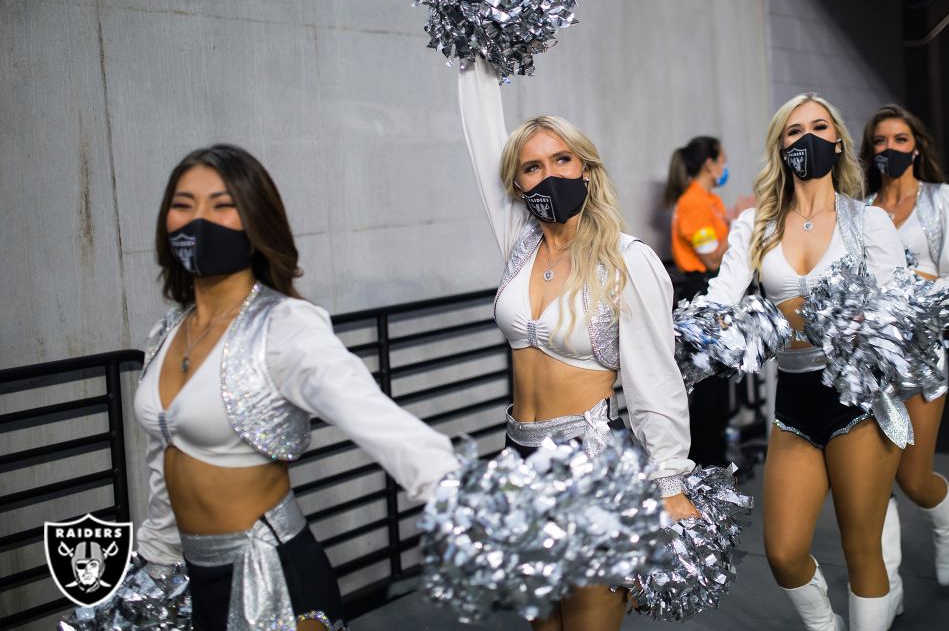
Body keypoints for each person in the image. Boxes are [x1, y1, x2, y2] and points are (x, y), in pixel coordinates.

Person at [133, 145, 460, 630]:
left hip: (272, 577)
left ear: (256, 221)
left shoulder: (285, 327)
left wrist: (457, 493)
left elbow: (373, 416)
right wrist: (156, 557)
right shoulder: (166, 333)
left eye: (222, 205)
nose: (198, 220)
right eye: (183, 204)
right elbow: (163, 455)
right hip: (194, 576)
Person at [457, 59, 698, 631]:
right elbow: (481, 135)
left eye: (562, 159)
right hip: (518, 457)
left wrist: (668, 481)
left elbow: (654, 379)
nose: (548, 175)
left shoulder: (627, 260)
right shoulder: (519, 244)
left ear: (587, 170)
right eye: (532, 167)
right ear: (518, 185)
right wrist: (474, 58)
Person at [701, 92, 907, 630]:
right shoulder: (756, 225)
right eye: (795, 132)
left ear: (838, 141)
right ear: (780, 146)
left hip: (858, 397)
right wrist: (701, 333)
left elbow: (895, 313)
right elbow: (720, 301)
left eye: (819, 128)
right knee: (784, 552)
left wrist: (859, 327)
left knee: (863, 551)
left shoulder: (869, 222)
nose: (808, 139)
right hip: (793, 398)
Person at [861, 104, 949, 611]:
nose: (891, 149)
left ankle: (944, 519)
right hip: (868, 361)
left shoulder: (945, 200)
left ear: (917, 145)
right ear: (869, 151)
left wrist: (905, 289)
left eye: (900, 139)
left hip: (923, 354)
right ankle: (888, 587)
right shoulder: (858, 210)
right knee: (873, 480)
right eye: (881, 141)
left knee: (911, 477)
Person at [664, 136, 735, 466]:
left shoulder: (710, 200)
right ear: (709, 164)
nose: (724, 168)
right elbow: (710, 258)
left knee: (720, 387)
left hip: (715, 294)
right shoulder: (693, 202)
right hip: (700, 293)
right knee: (707, 390)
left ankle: (715, 459)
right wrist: (740, 226)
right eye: (721, 160)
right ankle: (704, 465)